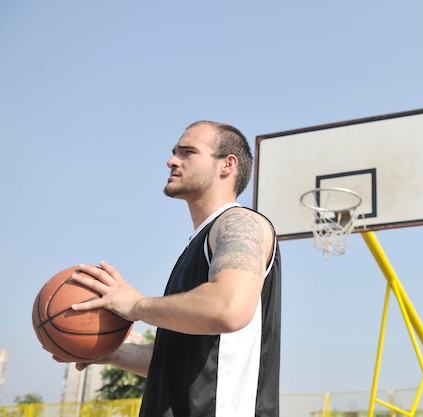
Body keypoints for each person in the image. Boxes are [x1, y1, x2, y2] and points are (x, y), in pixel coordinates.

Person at [63, 121, 281, 417]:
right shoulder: (197, 245)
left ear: (227, 165)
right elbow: (179, 357)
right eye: (174, 152)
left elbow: (229, 307)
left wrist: (136, 305)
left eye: (187, 152)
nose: (171, 160)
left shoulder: (241, 224)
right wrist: (112, 353)